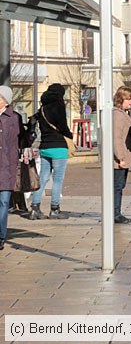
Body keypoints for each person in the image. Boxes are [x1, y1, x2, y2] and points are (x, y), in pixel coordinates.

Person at [30, 83, 73, 220]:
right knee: (58, 180)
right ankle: (55, 209)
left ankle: (35, 208)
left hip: (45, 147)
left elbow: (33, 120)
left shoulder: (42, 108)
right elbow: (62, 125)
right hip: (58, 147)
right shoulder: (59, 106)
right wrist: (69, 135)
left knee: (42, 178)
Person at [0, 85, 23, 249]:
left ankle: (0, 237)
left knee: (3, 202)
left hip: (7, 166)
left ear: (5, 101)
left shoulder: (14, 118)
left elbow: (18, 141)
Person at [112, 86, 131, 224]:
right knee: (117, 186)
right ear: (121, 99)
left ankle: (116, 212)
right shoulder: (118, 115)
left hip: (121, 158)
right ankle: (115, 213)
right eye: (129, 99)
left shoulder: (120, 114)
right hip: (118, 160)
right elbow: (117, 138)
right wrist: (120, 158)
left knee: (118, 186)